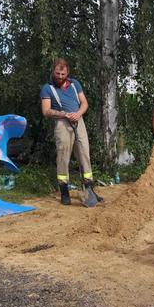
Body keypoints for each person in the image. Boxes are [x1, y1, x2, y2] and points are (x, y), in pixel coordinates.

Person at [40, 58, 101, 205]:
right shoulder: (47, 88)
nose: (60, 76)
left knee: (84, 154)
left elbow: (84, 102)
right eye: (57, 73)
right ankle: (64, 192)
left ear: (67, 72)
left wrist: (78, 113)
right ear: (53, 71)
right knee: (63, 156)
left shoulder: (75, 84)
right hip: (62, 123)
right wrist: (64, 114)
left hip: (78, 121)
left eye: (63, 73)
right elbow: (46, 111)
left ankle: (89, 190)